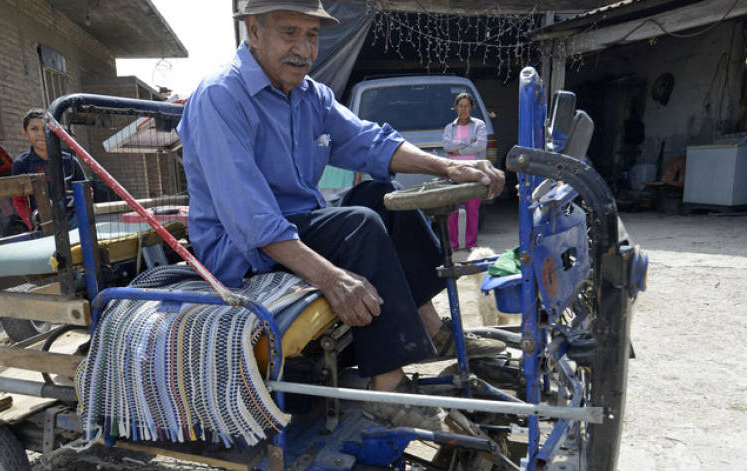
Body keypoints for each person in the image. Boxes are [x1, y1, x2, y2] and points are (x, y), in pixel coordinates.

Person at [177, 0, 506, 429]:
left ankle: (431, 329)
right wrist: (331, 278)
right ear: (253, 32)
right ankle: (387, 388)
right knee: (359, 226)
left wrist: (447, 166)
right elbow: (250, 219)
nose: (303, 48)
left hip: (298, 223)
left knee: (381, 197)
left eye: (311, 36)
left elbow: (371, 142)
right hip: (239, 246)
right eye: (289, 32)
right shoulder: (221, 96)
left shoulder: (311, 96)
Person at [10, 108, 87, 229]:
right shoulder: (21, 164)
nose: (41, 133)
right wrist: (33, 223)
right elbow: (19, 200)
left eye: (45, 128)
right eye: (34, 129)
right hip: (43, 225)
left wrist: (81, 216)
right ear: (25, 133)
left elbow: (86, 191)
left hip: (74, 222)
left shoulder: (70, 160)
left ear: (54, 131)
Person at [442, 92, 488, 250]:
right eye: (460, 106)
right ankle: (453, 244)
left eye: (466, 106)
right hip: (454, 173)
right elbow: (447, 147)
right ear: (455, 108)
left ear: (471, 108)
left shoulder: (479, 125)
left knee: (473, 210)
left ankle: (471, 244)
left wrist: (459, 150)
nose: (463, 109)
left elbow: (481, 145)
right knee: (452, 211)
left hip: (474, 172)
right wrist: (469, 142)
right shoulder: (450, 127)